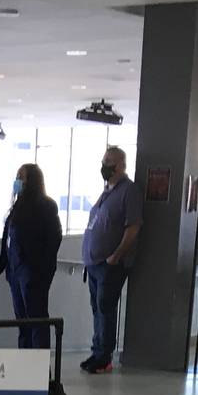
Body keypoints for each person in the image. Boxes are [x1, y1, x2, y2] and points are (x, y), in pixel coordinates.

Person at [81, 146, 143, 374]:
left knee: (105, 308)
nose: (104, 165)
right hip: (94, 264)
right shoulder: (107, 191)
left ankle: (104, 356)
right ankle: (97, 350)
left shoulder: (129, 191)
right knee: (97, 308)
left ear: (119, 165)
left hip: (110, 265)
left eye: (108, 161)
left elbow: (133, 227)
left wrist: (115, 256)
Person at [0, 164, 62, 349]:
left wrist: (40, 267)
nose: (17, 180)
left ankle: (39, 368)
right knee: (22, 320)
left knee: (37, 320)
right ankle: (24, 362)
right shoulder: (18, 205)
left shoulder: (46, 205)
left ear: (32, 181)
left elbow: (54, 239)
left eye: (21, 177)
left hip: (33, 273)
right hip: (15, 271)